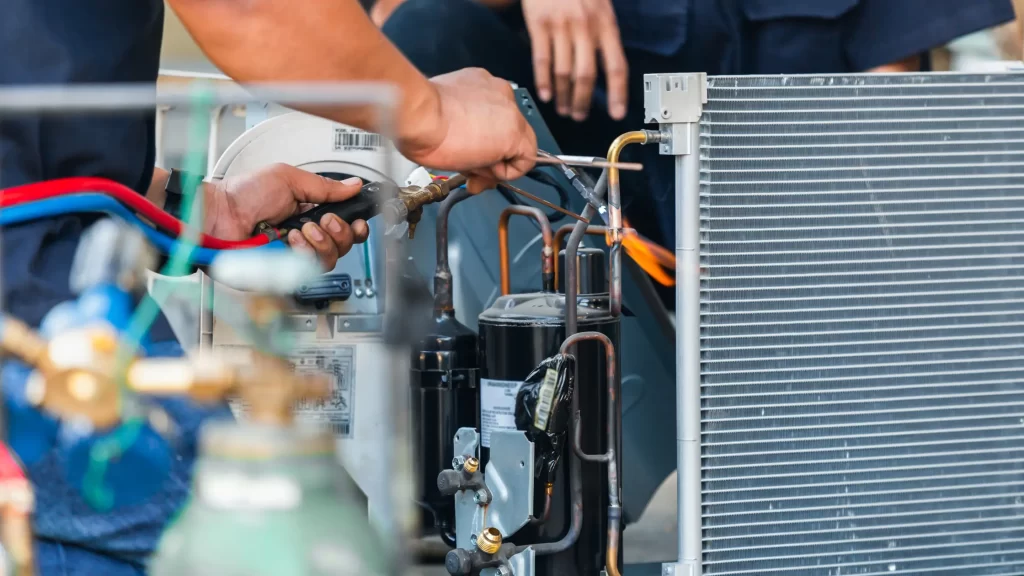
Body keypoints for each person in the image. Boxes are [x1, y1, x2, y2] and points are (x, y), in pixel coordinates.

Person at [0, 0, 537, 573]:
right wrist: (439, 117)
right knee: (288, 539)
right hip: (29, 296)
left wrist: (207, 207)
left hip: (39, 261)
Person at [372, 0, 1016, 248]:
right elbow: (394, 29)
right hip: (570, 219)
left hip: (791, 236)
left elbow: (890, 95)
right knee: (427, 33)